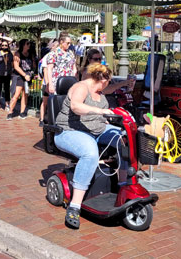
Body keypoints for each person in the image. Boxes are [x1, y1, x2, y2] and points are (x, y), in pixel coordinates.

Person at [53, 64, 127, 229]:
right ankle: (75, 206)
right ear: (102, 79)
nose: (109, 83)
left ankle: (124, 187)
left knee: (125, 139)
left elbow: (102, 114)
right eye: (109, 80)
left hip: (96, 130)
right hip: (68, 131)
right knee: (90, 152)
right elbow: (76, 107)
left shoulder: (100, 92)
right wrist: (100, 112)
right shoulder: (81, 87)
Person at [7, 39, 34, 120]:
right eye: (27, 43)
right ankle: (10, 112)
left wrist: (31, 73)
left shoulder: (30, 54)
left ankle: (22, 112)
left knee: (25, 94)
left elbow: (33, 65)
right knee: (16, 94)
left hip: (28, 76)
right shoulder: (17, 54)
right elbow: (16, 66)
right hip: (19, 76)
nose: (29, 45)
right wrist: (24, 75)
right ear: (23, 45)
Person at [38, 40, 59, 126]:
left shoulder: (59, 56)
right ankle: (42, 119)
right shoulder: (47, 57)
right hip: (47, 83)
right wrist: (48, 84)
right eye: (57, 46)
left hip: (56, 83)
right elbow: (45, 71)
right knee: (45, 101)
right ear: (53, 47)